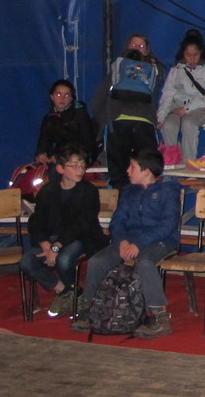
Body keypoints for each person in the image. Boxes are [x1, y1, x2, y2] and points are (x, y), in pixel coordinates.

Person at [73, 148, 181, 338]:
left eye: (132, 167)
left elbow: (167, 225)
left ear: (146, 171)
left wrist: (138, 244)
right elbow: (118, 221)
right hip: (128, 241)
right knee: (97, 261)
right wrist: (122, 241)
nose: (127, 170)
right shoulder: (129, 191)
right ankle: (89, 308)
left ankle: (159, 315)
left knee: (145, 262)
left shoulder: (168, 191)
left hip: (160, 241)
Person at [19, 145, 107, 317]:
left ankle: (72, 296)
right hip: (52, 239)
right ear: (60, 168)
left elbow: (81, 225)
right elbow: (36, 220)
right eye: (74, 165)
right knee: (27, 262)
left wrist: (56, 247)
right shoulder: (47, 190)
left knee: (64, 260)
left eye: (82, 165)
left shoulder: (89, 191)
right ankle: (67, 292)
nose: (80, 170)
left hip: (80, 239)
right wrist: (45, 244)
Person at [93, 34, 163, 188]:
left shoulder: (118, 68)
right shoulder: (155, 70)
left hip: (119, 122)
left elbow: (99, 99)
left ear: (148, 50)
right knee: (147, 168)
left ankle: (121, 197)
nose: (137, 48)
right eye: (134, 44)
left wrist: (104, 121)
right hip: (144, 123)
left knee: (118, 169)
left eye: (141, 45)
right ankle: (146, 197)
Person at [157, 31, 205, 164]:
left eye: (195, 55)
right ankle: (174, 161)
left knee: (189, 123)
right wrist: (161, 117)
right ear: (183, 54)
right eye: (188, 55)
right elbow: (167, 94)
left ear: (201, 52)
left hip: (201, 107)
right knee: (168, 125)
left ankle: (188, 162)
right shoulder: (176, 69)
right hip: (178, 105)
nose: (192, 59)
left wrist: (187, 109)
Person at [34, 79, 97, 164]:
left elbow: (87, 144)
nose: (62, 98)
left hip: (79, 157)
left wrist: (63, 156)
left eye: (66, 95)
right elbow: (44, 142)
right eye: (58, 94)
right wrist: (41, 154)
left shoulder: (80, 115)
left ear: (71, 98)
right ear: (51, 96)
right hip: (59, 156)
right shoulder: (49, 118)